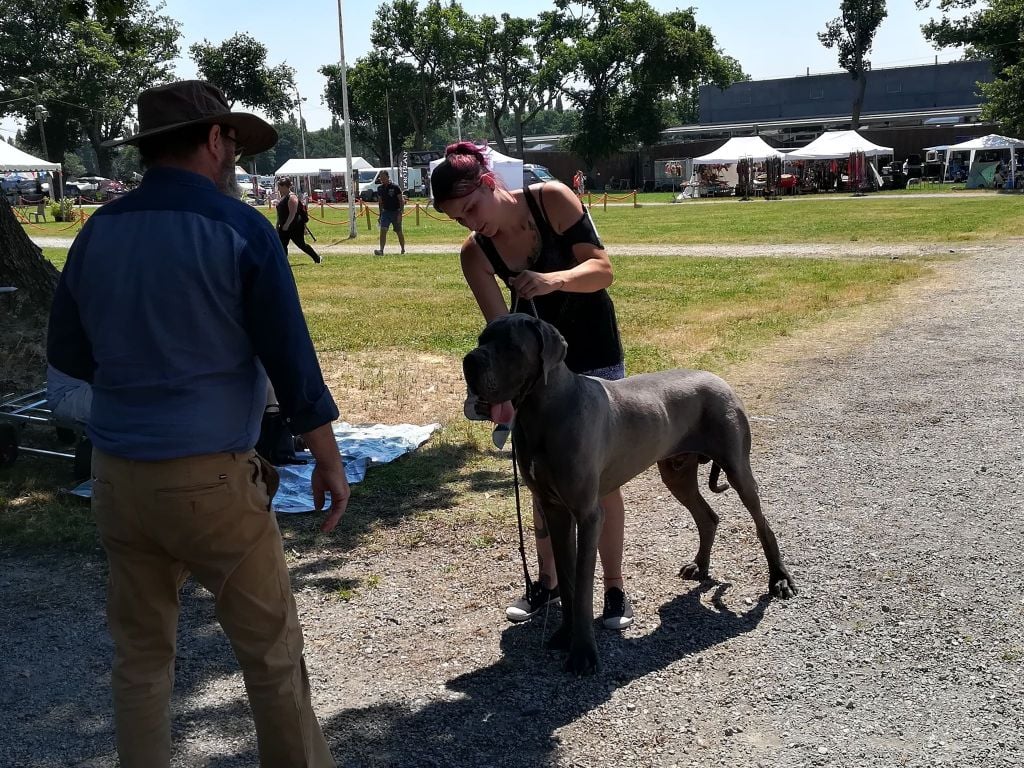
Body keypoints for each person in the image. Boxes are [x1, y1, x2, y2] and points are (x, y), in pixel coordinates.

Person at [46, 80, 348, 768]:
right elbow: (291, 362)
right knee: (271, 655)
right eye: (234, 145)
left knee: (141, 659)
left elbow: (68, 355)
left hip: (118, 476)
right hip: (210, 478)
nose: (235, 160)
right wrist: (327, 459)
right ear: (215, 140)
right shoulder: (240, 228)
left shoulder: (97, 232)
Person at [430, 141, 633, 630]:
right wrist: (502, 394)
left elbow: (602, 270)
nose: (473, 224)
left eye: (473, 209)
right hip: (535, 374)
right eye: (460, 220)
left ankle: (613, 590)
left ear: (489, 182)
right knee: (543, 482)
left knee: (597, 479)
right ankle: (549, 584)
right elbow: (501, 333)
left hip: (592, 353)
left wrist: (552, 280)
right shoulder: (475, 253)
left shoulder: (553, 200)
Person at [276, 175, 321, 264]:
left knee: (301, 245)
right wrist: (278, 224)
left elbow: (292, 214)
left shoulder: (292, 198)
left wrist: (286, 225)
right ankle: (283, 262)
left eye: (279, 187)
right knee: (281, 245)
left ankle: (317, 258)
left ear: (284, 187)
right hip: (284, 225)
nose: (278, 189)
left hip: (294, 226)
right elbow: (280, 212)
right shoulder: (283, 197)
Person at [373, 170, 406, 255]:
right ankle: (381, 250)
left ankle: (403, 249)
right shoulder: (380, 188)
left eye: (384, 178)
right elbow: (380, 202)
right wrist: (380, 215)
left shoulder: (395, 187)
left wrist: (400, 213)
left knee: (399, 232)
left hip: (396, 212)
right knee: (383, 230)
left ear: (388, 177)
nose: (382, 180)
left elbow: (401, 201)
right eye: (381, 178)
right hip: (386, 213)